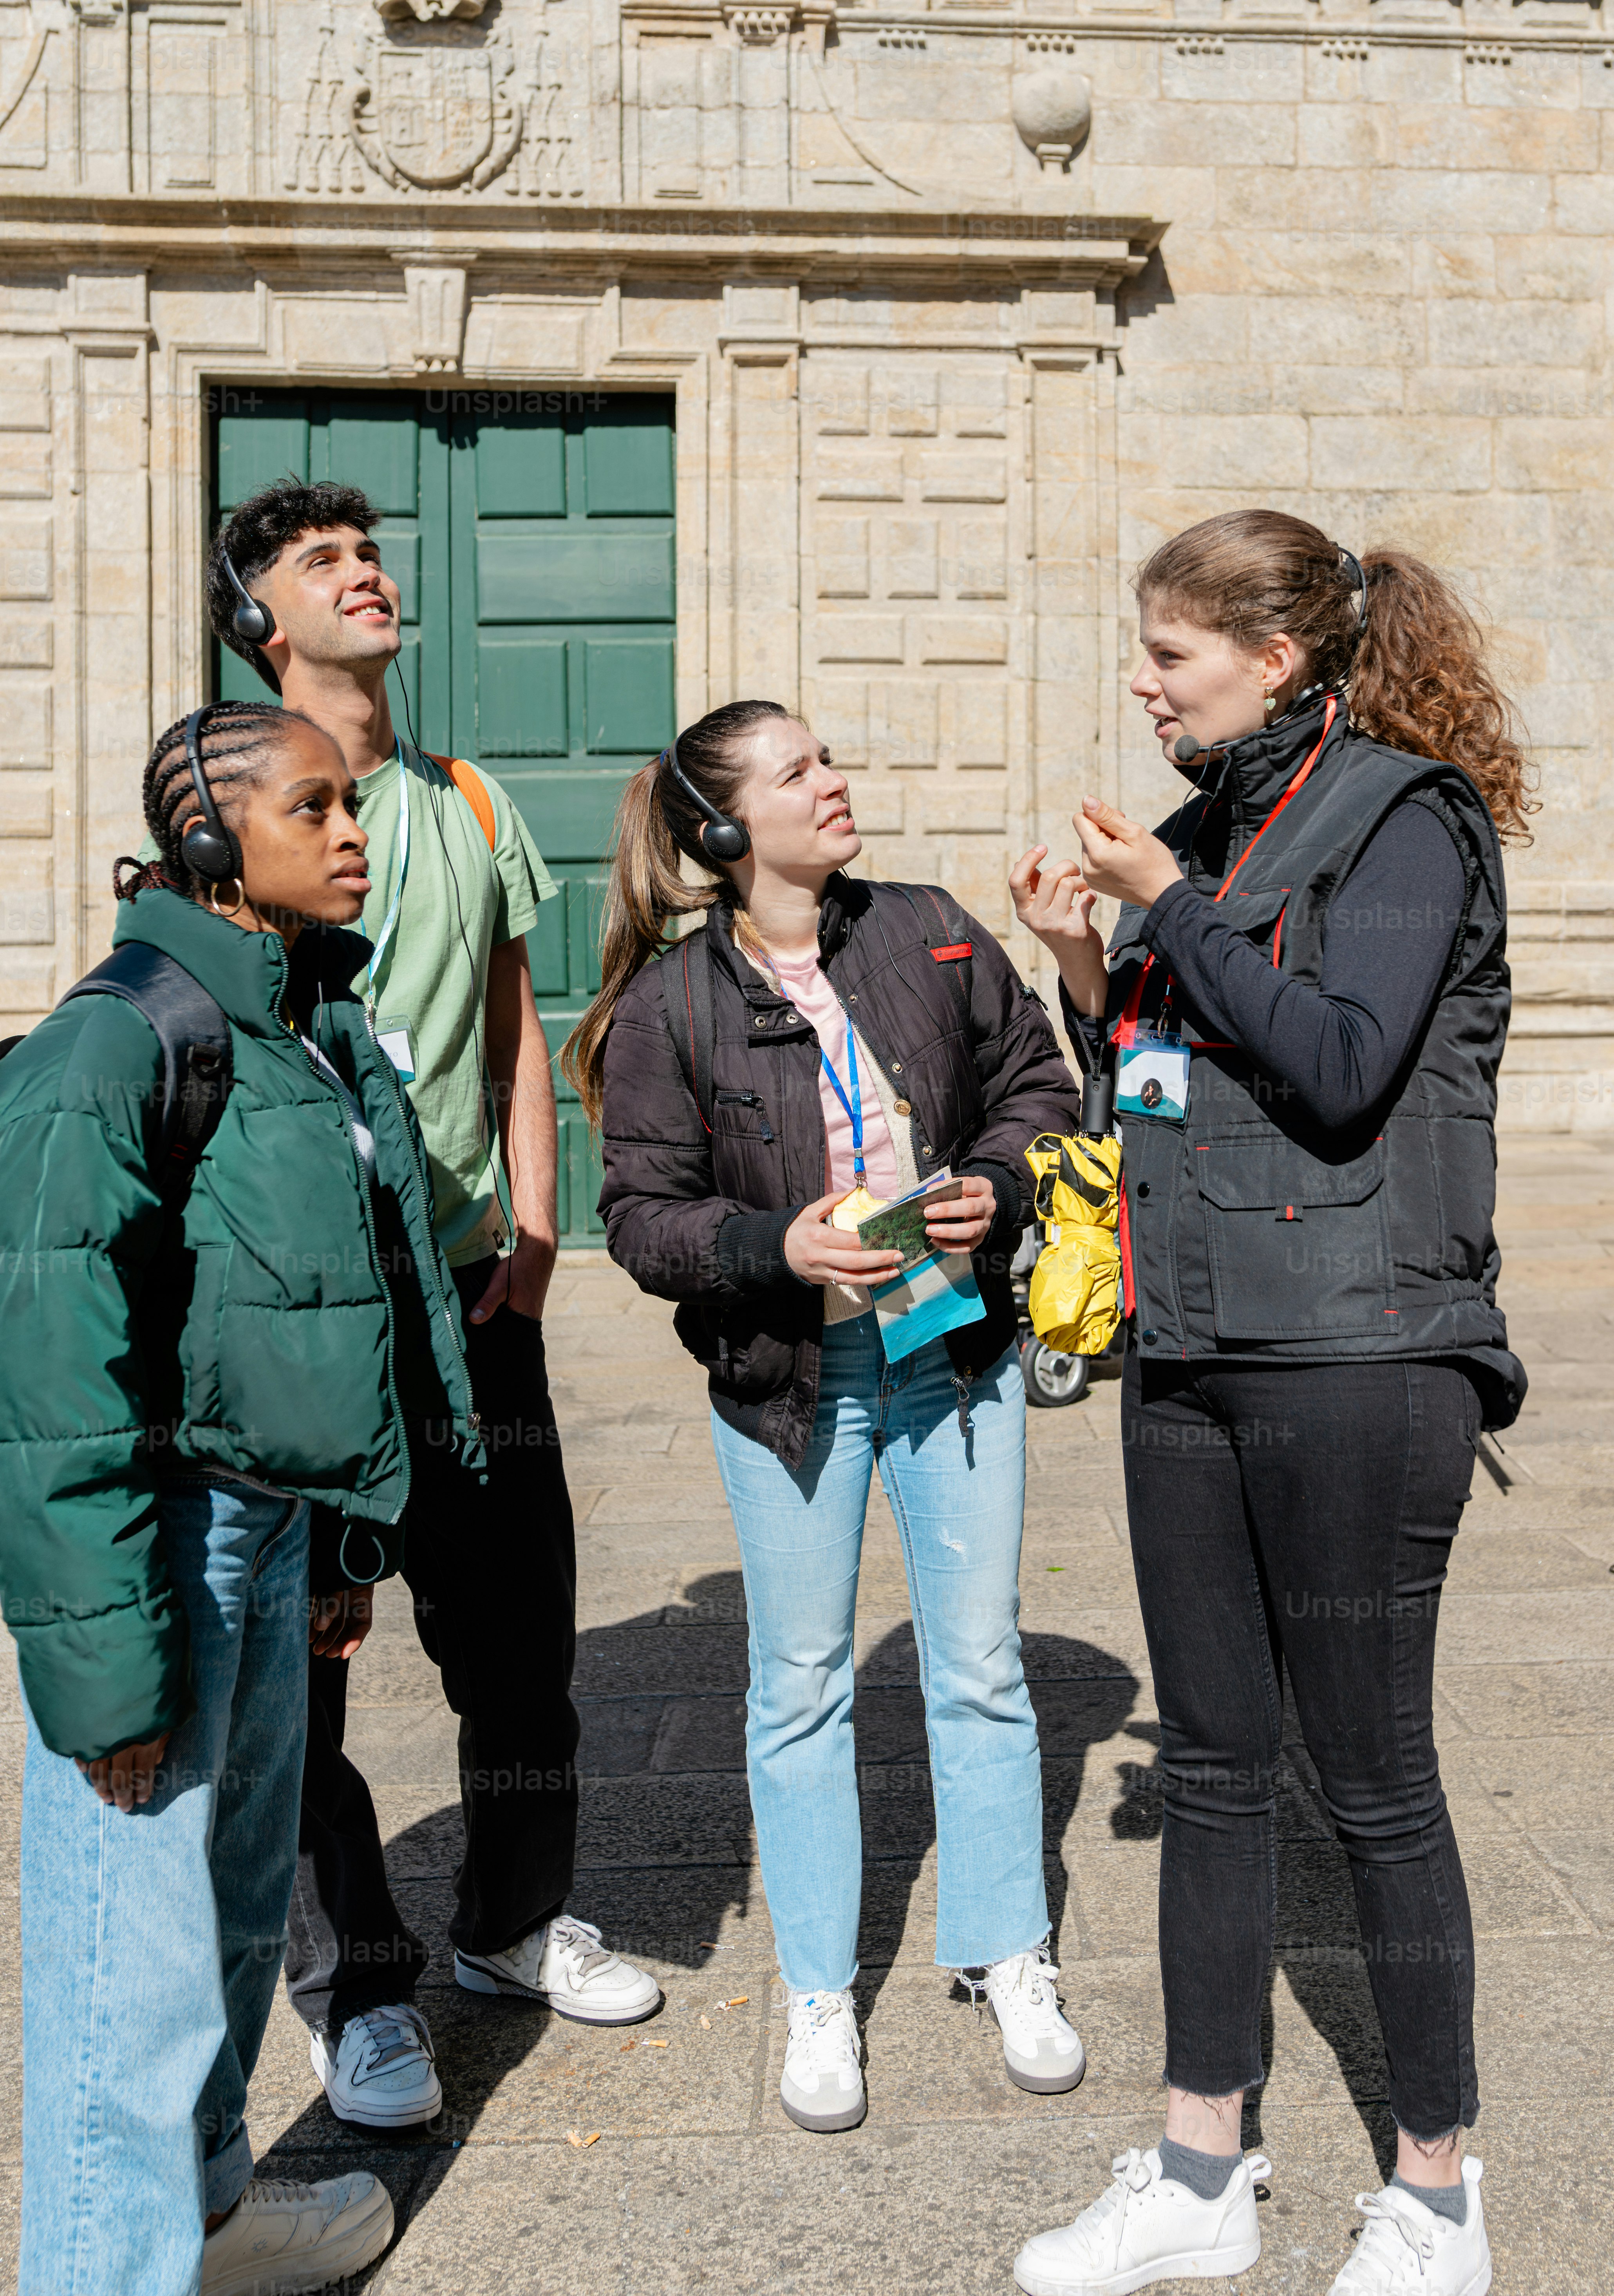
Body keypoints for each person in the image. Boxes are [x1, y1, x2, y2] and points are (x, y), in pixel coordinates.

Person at [1008, 511, 1531, 2296]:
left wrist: (1158, 910)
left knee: (1369, 1779)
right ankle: (1195, 2167)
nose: (1141, 685)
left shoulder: (1403, 816)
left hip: (1363, 1352)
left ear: (1278, 659)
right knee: (1219, 1767)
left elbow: (1331, 1061)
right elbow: (1164, 1085)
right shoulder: (1208, 829)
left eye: (1169, 655)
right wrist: (1095, 971)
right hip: (1194, 1346)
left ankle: (1437, 2195)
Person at [0, 699, 481, 2292]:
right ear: (209, 846)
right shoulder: (111, 1041)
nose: (353, 830)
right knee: (118, 1978)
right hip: (162, 1547)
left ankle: (201, 2217)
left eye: (352, 803)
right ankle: (102, 2263)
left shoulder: (302, 1024)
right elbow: (52, 1385)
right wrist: (107, 1669)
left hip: (271, 1536)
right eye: (315, 806)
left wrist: (342, 1537)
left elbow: (329, 1307)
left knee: (222, 1916)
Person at [204, 480, 659, 2133]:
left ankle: (511, 1922)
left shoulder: (466, 797)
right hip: (316, 1313)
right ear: (258, 620)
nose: (367, 574)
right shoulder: (240, 810)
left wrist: (542, 1217)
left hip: (476, 1293)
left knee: (521, 1648)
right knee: (302, 1671)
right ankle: (357, 1984)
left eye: (367, 552)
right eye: (318, 562)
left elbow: (515, 1013)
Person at [571, 700, 1085, 2132]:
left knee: (979, 1662)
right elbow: (642, 1217)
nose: (836, 782)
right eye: (799, 773)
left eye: (829, 759)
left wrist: (1002, 1176)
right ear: (728, 831)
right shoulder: (675, 1004)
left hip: (953, 1356)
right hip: (790, 1384)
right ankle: (816, 1989)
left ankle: (1005, 1950)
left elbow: (1036, 1086)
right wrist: (770, 1251)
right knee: (799, 1683)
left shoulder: (924, 928)